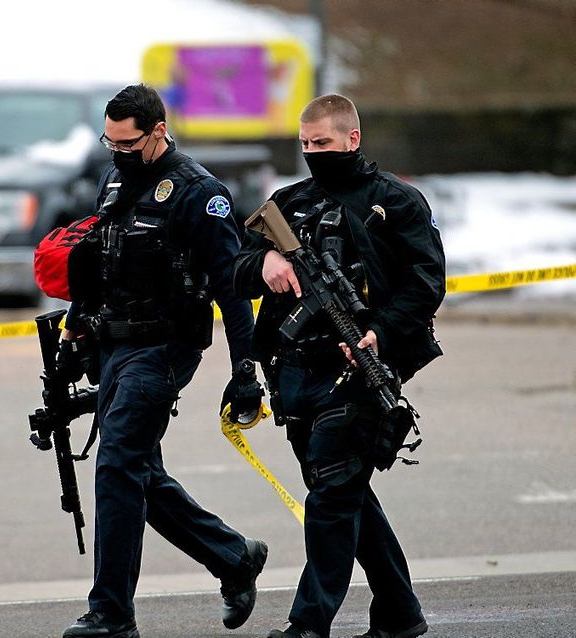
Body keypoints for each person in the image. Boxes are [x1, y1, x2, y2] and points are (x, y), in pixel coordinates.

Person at [56, 84, 268, 638]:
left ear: (158, 131)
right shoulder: (114, 180)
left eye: (128, 144)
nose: (118, 154)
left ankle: (112, 615)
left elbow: (234, 289)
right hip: (114, 346)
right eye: (110, 144)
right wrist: (76, 326)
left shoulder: (201, 194)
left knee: (117, 464)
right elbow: (101, 261)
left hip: (166, 347)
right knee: (139, 474)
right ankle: (234, 557)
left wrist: (244, 370)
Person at [232, 94, 445, 638]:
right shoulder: (289, 202)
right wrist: (266, 261)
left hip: (361, 366)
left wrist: (380, 333)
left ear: (352, 139)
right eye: (305, 144)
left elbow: (426, 283)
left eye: (322, 143)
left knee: (330, 495)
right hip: (296, 371)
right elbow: (231, 268)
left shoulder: (395, 202)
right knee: (345, 491)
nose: (313, 153)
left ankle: (309, 623)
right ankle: (399, 613)